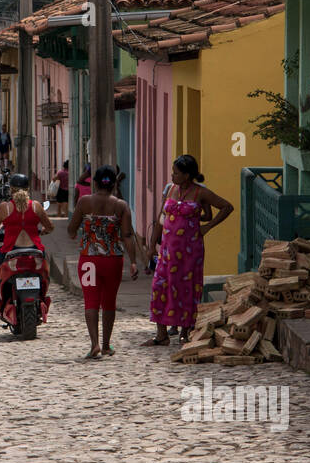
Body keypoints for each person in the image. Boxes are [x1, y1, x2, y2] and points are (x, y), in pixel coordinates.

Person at [150, 154, 234, 345]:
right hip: (167, 250)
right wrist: (151, 245)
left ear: (187, 175)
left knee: (185, 288)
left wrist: (208, 225)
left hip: (190, 250)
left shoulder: (200, 193)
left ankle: (184, 331)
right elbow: (161, 218)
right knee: (160, 287)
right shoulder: (171, 190)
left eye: (176, 173)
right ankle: (161, 333)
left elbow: (227, 207)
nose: (173, 176)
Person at [68, 164, 140, 359]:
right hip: (112, 260)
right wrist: (133, 261)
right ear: (114, 183)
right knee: (109, 302)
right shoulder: (120, 206)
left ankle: (95, 344)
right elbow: (127, 235)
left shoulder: (84, 202)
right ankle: (107, 344)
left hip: (89, 259)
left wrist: (77, 233)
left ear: (95, 182)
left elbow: (71, 228)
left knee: (91, 301)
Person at [0, 172, 55, 298]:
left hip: (11, 249)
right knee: (45, 264)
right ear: (27, 189)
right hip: (34, 249)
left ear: (11, 189)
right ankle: (43, 288)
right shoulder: (36, 206)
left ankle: (0, 288)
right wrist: (44, 230)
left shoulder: (6, 207)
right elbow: (50, 227)